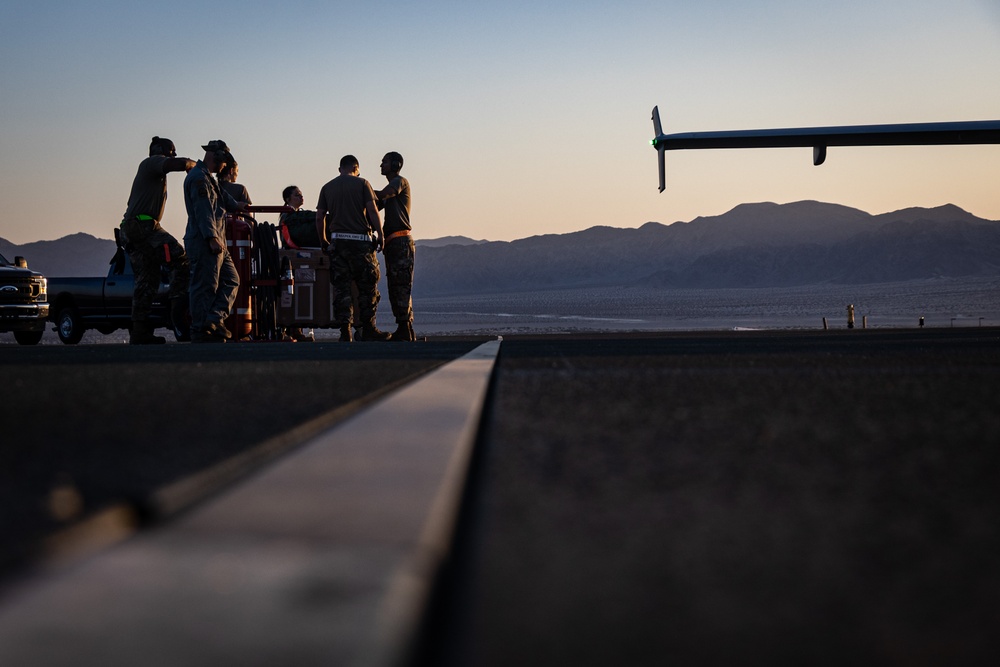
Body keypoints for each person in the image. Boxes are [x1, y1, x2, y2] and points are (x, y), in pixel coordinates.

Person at [120, 137, 195, 344]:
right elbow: (177, 164)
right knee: (181, 261)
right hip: (143, 226)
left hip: (135, 229)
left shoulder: (153, 174)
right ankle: (178, 312)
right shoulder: (151, 162)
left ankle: (139, 331)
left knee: (147, 280)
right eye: (172, 150)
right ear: (160, 150)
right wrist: (195, 165)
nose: (173, 153)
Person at [315, 155, 390, 342]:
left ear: (340, 168)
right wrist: (380, 234)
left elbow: (320, 217)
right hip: (360, 243)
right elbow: (372, 210)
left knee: (342, 289)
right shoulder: (363, 183)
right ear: (356, 168)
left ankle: (345, 331)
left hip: (338, 243)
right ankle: (369, 328)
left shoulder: (327, 187)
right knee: (367, 288)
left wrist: (323, 240)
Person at [183, 140, 248, 343]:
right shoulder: (199, 179)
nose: (224, 168)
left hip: (218, 241)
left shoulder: (209, 179)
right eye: (223, 162)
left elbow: (223, 199)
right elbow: (203, 211)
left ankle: (213, 321)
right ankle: (200, 329)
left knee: (231, 280)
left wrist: (239, 205)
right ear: (216, 157)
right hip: (206, 241)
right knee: (205, 286)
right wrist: (211, 238)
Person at [375, 151, 415, 341]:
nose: (381, 165)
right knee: (395, 284)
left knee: (401, 285)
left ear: (395, 164)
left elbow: (383, 195)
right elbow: (376, 204)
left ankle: (405, 328)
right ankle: (404, 327)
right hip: (393, 242)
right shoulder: (390, 189)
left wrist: (363, 191)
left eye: (384, 162)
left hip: (400, 241)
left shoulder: (399, 182)